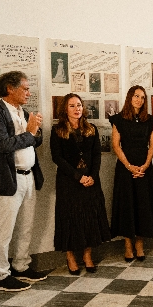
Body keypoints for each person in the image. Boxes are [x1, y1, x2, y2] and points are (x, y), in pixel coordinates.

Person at [0, 71, 48, 292]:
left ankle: (21, 266)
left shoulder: (23, 112)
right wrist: (31, 133)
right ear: (10, 88)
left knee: (26, 226)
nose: (29, 93)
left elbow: (35, 140)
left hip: (28, 177)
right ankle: (0, 275)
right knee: (3, 231)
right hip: (6, 179)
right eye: (25, 88)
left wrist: (36, 132)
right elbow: (3, 145)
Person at [51, 93, 111, 274]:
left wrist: (92, 176)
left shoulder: (91, 128)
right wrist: (78, 177)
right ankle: (70, 257)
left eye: (79, 105)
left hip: (91, 180)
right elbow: (57, 158)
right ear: (65, 109)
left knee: (90, 218)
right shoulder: (57, 130)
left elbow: (97, 155)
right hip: (69, 181)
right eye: (72, 106)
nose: (77, 109)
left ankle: (87, 255)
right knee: (69, 218)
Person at [110, 85, 153, 262]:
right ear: (130, 97)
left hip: (144, 169)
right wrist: (129, 166)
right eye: (136, 96)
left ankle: (140, 245)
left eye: (142, 97)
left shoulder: (149, 120)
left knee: (143, 206)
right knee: (127, 206)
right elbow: (116, 145)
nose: (139, 100)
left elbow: (152, 144)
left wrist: (145, 165)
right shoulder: (118, 119)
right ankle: (128, 245)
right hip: (125, 168)